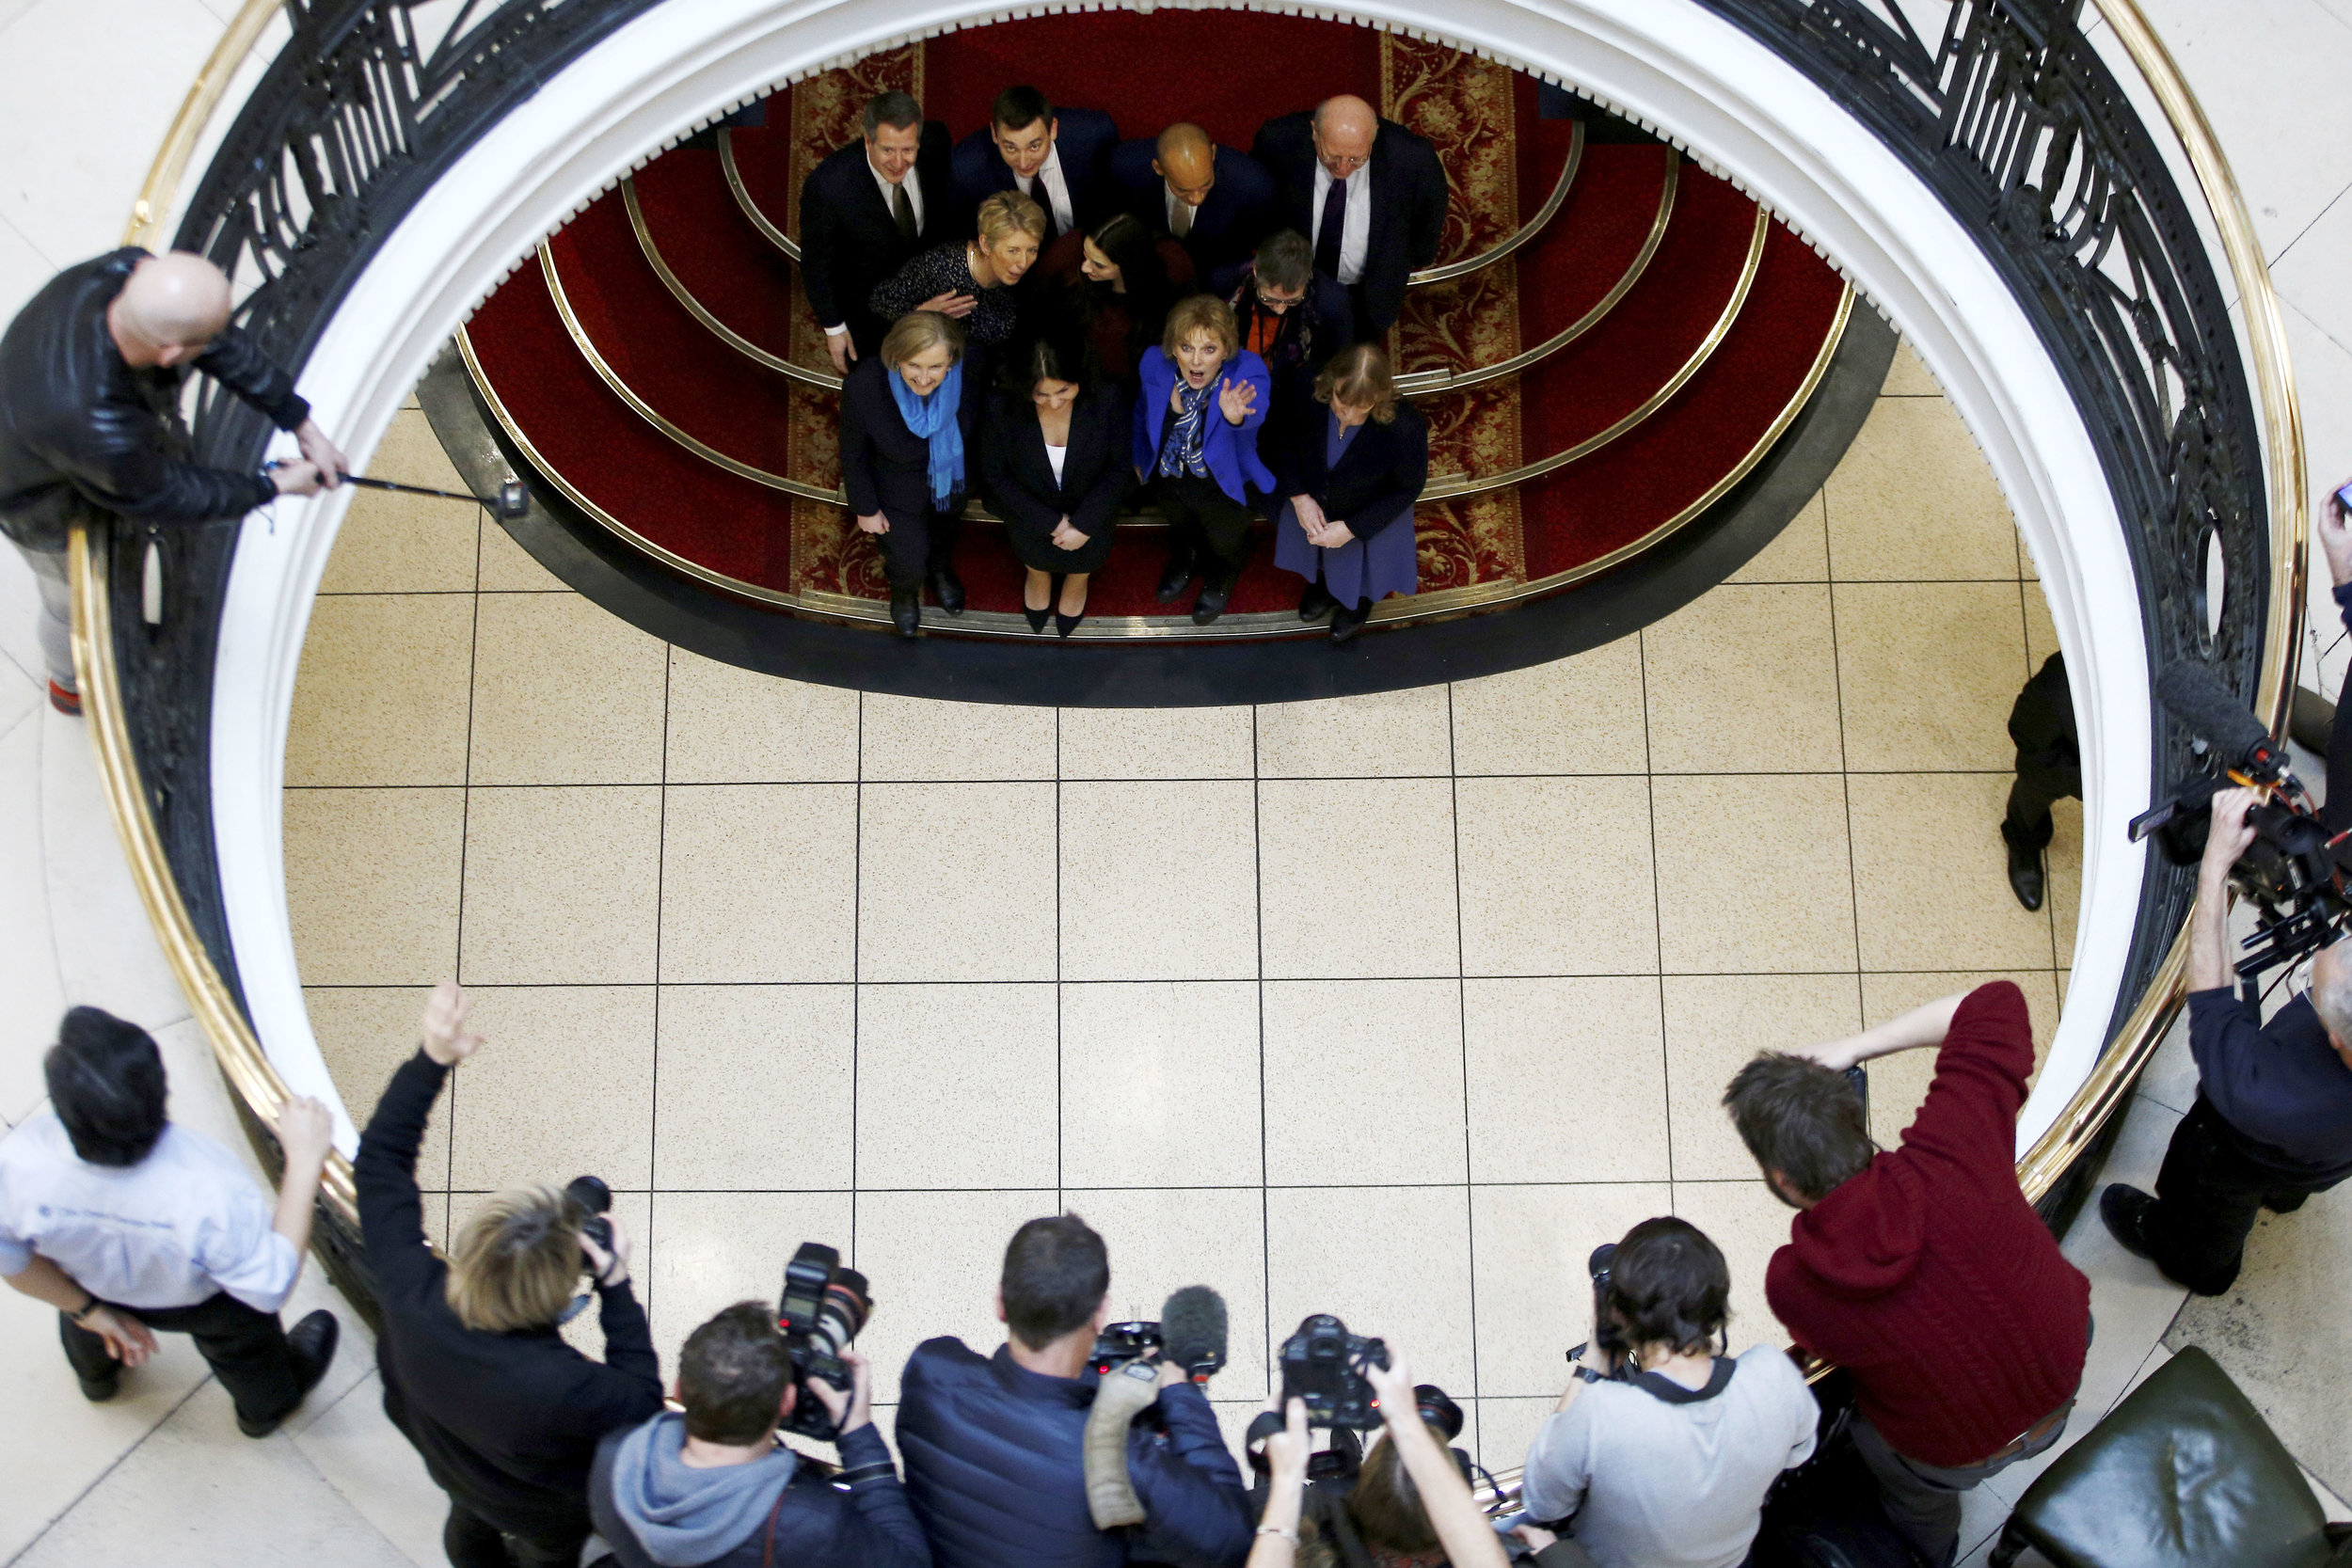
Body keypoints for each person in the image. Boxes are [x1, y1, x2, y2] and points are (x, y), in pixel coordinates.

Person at [1722, 983, 2090, 1568]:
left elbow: (1835, 1347)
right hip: (2066, 1367)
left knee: (1893, 1467)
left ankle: (1930, 1552)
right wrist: (1852, 1046)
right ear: (1854, 1115)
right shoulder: (1957, 1144)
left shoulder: (1797, 1280)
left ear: (1783, 1180)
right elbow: (1996, 1004)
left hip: (1953, 1452)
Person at [357, 982, 664, 1568]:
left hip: (444, 1453)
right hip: (538, 1510)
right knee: (545, 1552)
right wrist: (617, 1288)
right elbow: (643, 1402)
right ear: (556, 1298)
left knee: (468, 1517)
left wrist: (431, 1061)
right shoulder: (561, 1385)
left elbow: (379, 1163)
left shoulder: (410, 1284)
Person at [0, 248, 341, 715]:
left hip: (42, 428)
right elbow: (169, 494)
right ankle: (67, 681)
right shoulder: (96, 424)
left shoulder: (122, 272)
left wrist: (300, 423)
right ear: (171, 354)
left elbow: (216, 340)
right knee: (67, 604)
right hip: (33, 502)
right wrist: (274, 488)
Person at [0, 1006, 340, 1437]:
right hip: (206, 1303)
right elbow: (269, 1285)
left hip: (87, 1283)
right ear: (161, 1090)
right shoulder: (210, 1185)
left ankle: (97, 1379)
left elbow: (11, 1261)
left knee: (83, 1331)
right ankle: (264, 1410)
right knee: (248, 1352)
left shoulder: (16, 1166)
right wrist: (304, 1161)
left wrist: (88, 1309)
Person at [895, 1212, 1252, 1568]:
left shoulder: (929, 1374)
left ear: (1000, 1302)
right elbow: (1233, 1538)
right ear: (1100, 1314)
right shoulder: (1124, 1461)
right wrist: (1179, 1392)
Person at [1518, 1218, 1818, 1568]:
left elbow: (1542, 1502)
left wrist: (1593, 1362)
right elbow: (1798, 1453)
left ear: (1617, 1313)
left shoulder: (1601, 1415)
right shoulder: (1775, 1375)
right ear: (1718, 1307)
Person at [591, 1302, 930, 1568]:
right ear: (788, 1401)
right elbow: (911, 1561)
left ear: (678, 1391)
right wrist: (857, 1433)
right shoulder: (814, 1521)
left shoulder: (614, 1458)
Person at [1247, 1356, 1539, 1568]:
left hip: (1298, 1514)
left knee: (1276, 1497)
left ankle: (1312, 1470)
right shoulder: (1507, 1553)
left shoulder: (1279, 1516)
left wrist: (1284, 1485)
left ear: (1360, 1497)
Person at [1252, 96, 1449, 339]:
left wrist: (1411, 257)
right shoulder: (1278, 141)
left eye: (1357, 159)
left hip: (1368, 292)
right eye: (1331, 157)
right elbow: (1256, 203)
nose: (1343, 169)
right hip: (1292, 285)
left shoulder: (1412, 158)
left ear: (1374, 136)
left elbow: (1430, 214)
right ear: (1315, 133)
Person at [1133, 293, 1275, 626]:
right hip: (1170, 475)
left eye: (1209, 349)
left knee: (1224, 540)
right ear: (1173, 347)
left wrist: (1235, 417)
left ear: (1225, 349)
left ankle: (1224, 572)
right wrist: (1140, 456)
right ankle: (1186, 557)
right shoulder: (1154, 363)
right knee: (1180, 527)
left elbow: (1257, 411)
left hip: (1223, 483)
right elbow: (1141, 412)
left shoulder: (1247, 369)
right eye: (1186, 347)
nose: (1196, 361)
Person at [980, 330, 1134, 637]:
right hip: (1029, 512)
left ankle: (1078, 579)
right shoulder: (1000, 406)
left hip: (1090, 509)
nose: (1053, 403)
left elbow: (1119, 468)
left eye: (1063, 390)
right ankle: (1038, 575)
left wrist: (1084, 524)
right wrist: (1050, 522)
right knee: (1035, 561)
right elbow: (995, 475)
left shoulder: (1107, 398)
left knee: (1083, 563)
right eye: (1040, 395)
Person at [1271, 342, 1424, 645]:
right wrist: (1299, 496)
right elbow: (1283, 440)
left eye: (1362, 407)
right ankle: (1325, 587)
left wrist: (1354, 528)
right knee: (1316, 552)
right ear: (1332, 382)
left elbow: (1408, 487)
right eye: (1342, 400)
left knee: (1364, 566)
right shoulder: (1307, 387)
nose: (1349, 414)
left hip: (1365, 510)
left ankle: (1359, 602)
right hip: (1314, 497)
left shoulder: (1404, 426)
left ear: (1379, 398)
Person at [840, 310, 981, 639]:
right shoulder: (865, 386)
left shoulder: (970, 369)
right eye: (913, 365)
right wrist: (865, 507)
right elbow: (852, 452)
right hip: (895, 490)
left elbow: (981, 428)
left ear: (951, 361)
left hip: (951, 481)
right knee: (908, 558)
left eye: (935, 366)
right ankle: (904, 590)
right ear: (895, 357)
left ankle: (940, 569)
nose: (923, 377)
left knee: (944, 536)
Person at [800, 90, 954, 373]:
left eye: (907, 150)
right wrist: (834, 328)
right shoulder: (829, 186)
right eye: (887, 150)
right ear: (868, 141)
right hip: (869, 312)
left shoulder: (937, 142)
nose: (898, 162)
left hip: (935, 296)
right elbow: (815, 264)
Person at [870, 189, 1048, 366]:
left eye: (1031, 250)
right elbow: (879, 302)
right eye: (1013, 250)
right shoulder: (942, 266)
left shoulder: (1022, 277)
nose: (1023, 263)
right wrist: (921, 314)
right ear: (985, 245)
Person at [1033, 211, 1193, 387]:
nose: (1085, 267)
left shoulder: (1170, 280)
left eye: (1099, 265)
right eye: (1086, 255)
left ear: (1127, 265)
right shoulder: (1070, 281)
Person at [949, 86, 1120, 245]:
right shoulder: (967, 168)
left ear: (1052, 129)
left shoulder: (1094, 136)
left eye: (1034, 146)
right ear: (994, 134)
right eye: (1011, 148)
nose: (1023, 163)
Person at [1225, 230, 1352, 443]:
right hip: (1236, 385)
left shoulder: (1332, 303)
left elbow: (1340, 361)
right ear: (1256, 272)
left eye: (1291, 301)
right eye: (1269, 299)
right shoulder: (1228, 282)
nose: (1280, 309)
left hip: (1294, 396)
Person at [1110, 123, 1279, 281]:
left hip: (1215, 265)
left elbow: (1259, 242)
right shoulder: (1126, 168)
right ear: (1158, 168)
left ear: (1213, 154)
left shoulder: (1253, 186)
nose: (1197, 198)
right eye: (1183, 190)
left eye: (1206, 184)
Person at [2001, 652, 2079, 910]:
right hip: (2066, 760)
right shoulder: (2065, 683)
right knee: (2035, 786)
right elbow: (2026, 728)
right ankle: (2024, 837)